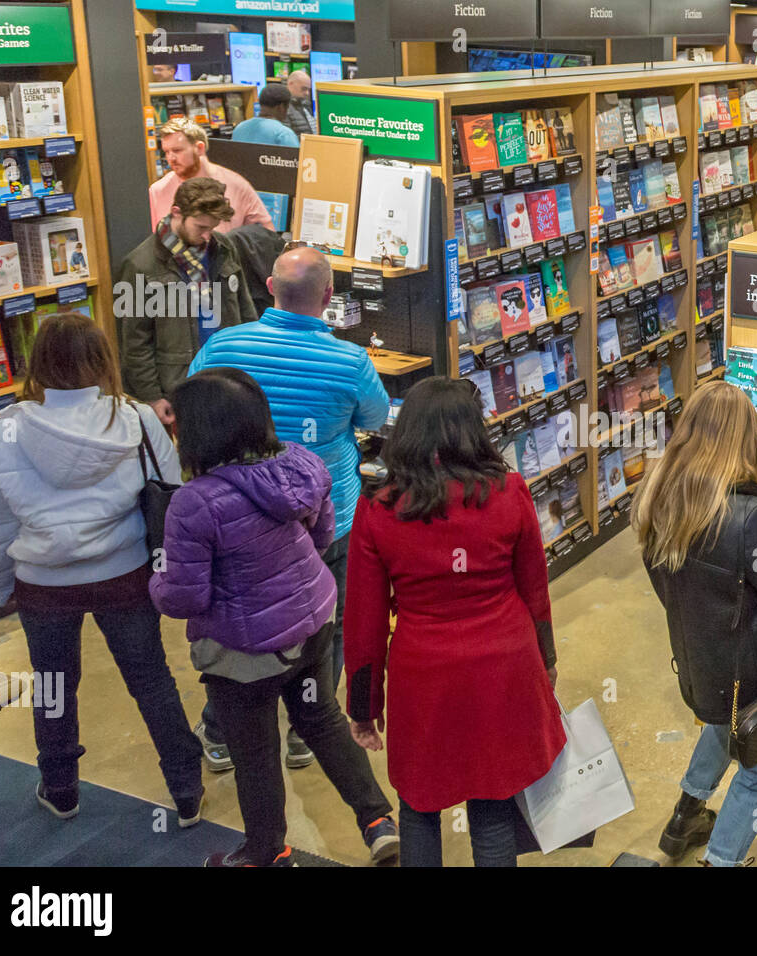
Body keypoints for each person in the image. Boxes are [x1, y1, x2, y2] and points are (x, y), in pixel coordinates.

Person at [149, 368, 398, 867]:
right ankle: (378, 821)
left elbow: (185, 597)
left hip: (244, 653)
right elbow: (324, 536)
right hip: (312, 622)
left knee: (255, 754)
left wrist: (153, 579)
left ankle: (267, 852)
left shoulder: (194, 502)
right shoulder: (300, 464)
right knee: (322, 718)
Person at [0, 314, 203, 825]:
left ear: (37, 363)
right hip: (125, 572)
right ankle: (186, 789)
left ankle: (60, 788)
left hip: (42, 583)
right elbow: (172, 495)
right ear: (103, 359)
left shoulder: (3, 433)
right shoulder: (137, 418)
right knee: (151, 680)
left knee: (53, 685)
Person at [344, 377, 565, 867]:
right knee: (493, 805)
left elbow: (364, 619)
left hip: (423, 675)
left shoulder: (379, 508)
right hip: (504, 665)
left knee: (419, 805)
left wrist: (364, 704)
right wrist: (546, 661)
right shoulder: (510, 491)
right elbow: (536, 591)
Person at [187, 246, 387, 768]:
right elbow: (375, 415)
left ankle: (221, 733)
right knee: (328, 622)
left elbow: (191, 403)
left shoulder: (224, 345)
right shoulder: (350, 360)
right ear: (328, 297)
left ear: (271, 289)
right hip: (325, 515)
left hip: (234, 520)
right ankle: (308, 730)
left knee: (234, 625)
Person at [633, 380, 757, 867]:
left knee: (720, 724)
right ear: (747, 438)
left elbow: (667, 593)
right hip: (756, 677)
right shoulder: (751, 517)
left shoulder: (659, 498)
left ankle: (684, 817)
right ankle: (721, 859)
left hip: (701, 666)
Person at [118, 177, 256, 426]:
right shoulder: (140, 265)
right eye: (200, 227)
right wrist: (152, 397)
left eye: (212, 228)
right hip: (180, 387)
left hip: (228, 377)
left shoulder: (224, 248)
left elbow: (245, 310)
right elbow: (135, 342)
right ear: (176, 213)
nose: (206, 236)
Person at [148, 117, 273, 232]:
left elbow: (265, 236)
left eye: (177, 150)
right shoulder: (158, 191)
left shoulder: (236, 185)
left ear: (200, 148)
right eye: (166, 152)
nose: (171, 158)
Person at [231, 83, 300, 147]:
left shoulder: (239, 128)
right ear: (281, 107)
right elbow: (296, 159)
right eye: (287, 107)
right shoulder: (283, 134)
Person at [285, 70, 318, 137]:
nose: (307, 93)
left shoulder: (306, 104)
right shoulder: (283, 107)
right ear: (290, 84)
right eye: (303, 89)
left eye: (308, 90)